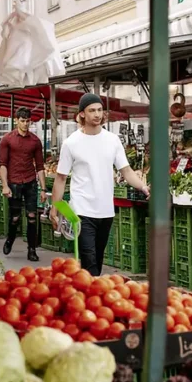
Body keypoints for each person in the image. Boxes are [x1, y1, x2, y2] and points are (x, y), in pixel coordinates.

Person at [50, 94, 148, 276]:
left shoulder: (112, 140)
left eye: (99, 110)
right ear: (82, 115)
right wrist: (55, 209)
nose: (97, 114)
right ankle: (91, 296)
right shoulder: (71, 143)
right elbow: (61, 178)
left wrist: (143, 187)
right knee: (89, 260)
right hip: (81, 210)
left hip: (105, 210)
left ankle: (87, 293)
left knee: (98, 257)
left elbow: (126, 171)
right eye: (92, 110)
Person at [0, 107, 47, 262]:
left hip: (30, 182)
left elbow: (40, 166)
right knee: (15, 217)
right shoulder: (7, 139)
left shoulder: (35, 141)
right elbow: (3, 164)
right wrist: (5, 185)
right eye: (22, 121)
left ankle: (32, 249)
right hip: (13, 182)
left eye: (28, 121)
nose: (25, 124)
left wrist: (43, 189)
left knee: (32, 216)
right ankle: (10, 239)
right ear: (16, 121)